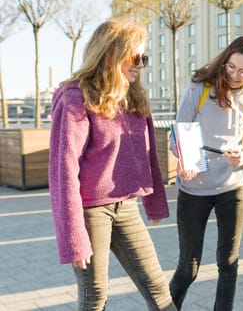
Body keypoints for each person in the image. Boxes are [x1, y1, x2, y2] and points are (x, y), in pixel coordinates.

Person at [48, 18, 177, 311]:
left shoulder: (134, 99)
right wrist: (73, 238)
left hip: (127, 206)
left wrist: (155, 203)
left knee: (157, 286)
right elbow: (64, 171)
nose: (140, 65)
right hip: (90, 210)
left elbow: (148, 155)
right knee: (95, 296)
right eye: (135, 57)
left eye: (144, 58)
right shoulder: (76, 100)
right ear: (110, 53)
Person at [168, 36, 243, 310]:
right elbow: (176, 136)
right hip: (195, 189)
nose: (235, 76)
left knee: (228, 264)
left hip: (233, 188)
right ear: (224, 61)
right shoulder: (200, 87)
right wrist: (185, 159)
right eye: (230, 67)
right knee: (188, 268)